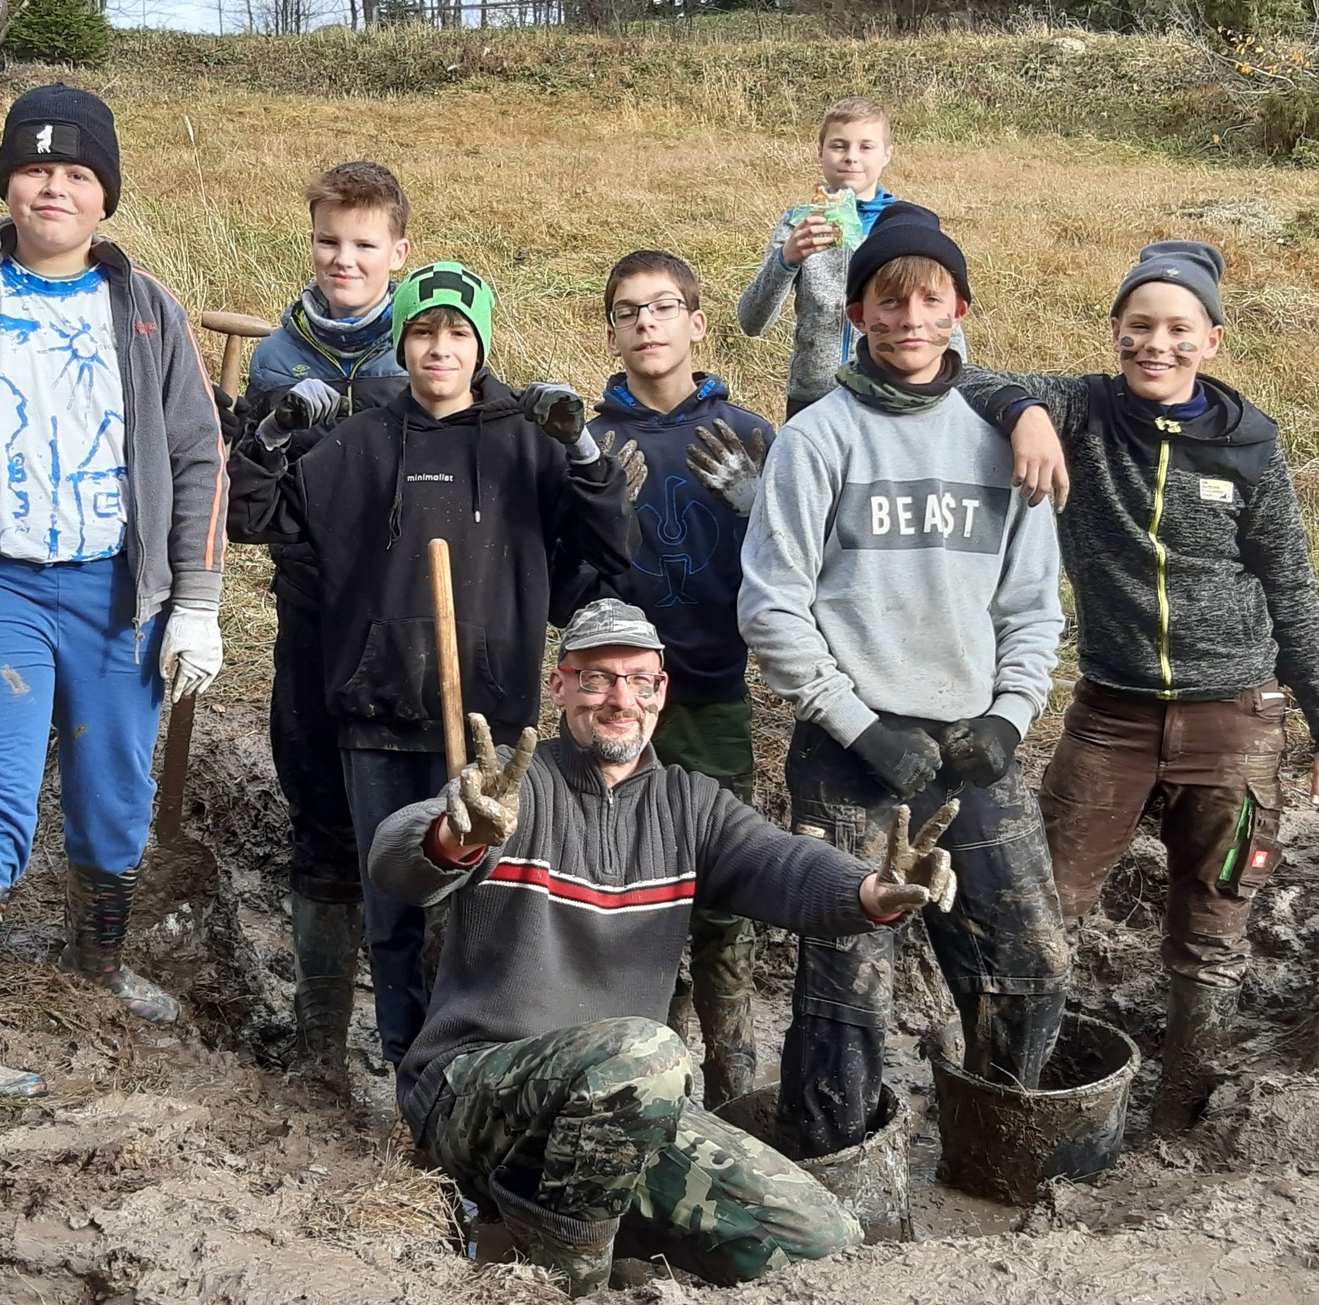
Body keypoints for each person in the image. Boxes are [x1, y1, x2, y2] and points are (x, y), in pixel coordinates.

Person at [369, 600, 956, 1296]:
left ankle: (606, 1229)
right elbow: (396, 860)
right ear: (559, 688)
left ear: (662, 693)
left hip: (624, 1108)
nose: (622, 699)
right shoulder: (513, 791)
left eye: (640, 681)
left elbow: (785, 867)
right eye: (597, 680)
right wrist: (453, 837)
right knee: (649, 1052)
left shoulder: (691, 804)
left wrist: (874, 892)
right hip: (474, 1093)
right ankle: (562, 1279)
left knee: (820, 1239)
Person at [0, 84, 228, 1099]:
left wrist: (196, 599)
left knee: (114, 798)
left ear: (103, 193)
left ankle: (96, 965)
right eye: (36, 168)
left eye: (77, 172)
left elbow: (198, 456)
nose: (54, 186)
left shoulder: (146, 309)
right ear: (8, 183)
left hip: (117, 588)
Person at [226, 261, 638, 1072]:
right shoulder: (358, 440)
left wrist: (582, 448)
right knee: (393, 905)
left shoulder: (526, 442)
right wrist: (271, 433)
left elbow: (609, 548)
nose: (438, 347)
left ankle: (471, 1066)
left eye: (457, 332)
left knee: (480, 902)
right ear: (401, 341)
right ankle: (404, 1067)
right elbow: (251, 516)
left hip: (490, 727)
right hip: (374, 714)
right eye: (422, 331)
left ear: (481, 343)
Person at [956, 240, 1319, 1130]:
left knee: (1212, 929)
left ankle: (1183, 1116)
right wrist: (1028, 413)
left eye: (1178, 328)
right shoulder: (1083, 410)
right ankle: (1022, 1096)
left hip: (1238, 719)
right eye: (1138, 326)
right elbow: (966, 378)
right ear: (1115, 332)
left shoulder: (1251, 446)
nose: (1157, 344)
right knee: (1045, 913)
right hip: (1109, 715)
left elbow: (1293, 588)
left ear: (1213, 340)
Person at [737, 202, 1068, 1159]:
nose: (909, 319)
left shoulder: (1003, 439)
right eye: (888, 301)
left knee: (1028, 964)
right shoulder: (818, 439)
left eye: (929, 299)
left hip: (975, 753)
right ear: (857, 311)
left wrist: (1008, 721)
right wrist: (859, 724)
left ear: (958, 306)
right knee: (848, 990)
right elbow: (771, 607)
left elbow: (1033, 607)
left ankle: (994, 1154)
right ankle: (837, 1180)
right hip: (852, 754)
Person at [568, 248, 775, 1107]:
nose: (645, 323)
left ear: (696, 323)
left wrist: (762, 503)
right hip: (615, 704)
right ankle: (640, 1077)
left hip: (713, 697)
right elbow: (564, 591)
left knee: (724, 893)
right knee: (618, 888)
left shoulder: (750, 436)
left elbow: (802, 572)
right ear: (612, 331)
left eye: (662, 308)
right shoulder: (590, 442)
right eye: (627, 311)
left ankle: (734, 1082)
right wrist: (598, 506)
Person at [222, 161, 411, 1090]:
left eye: (365, 245)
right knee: (317, 811)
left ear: (398, 254)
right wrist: (267, 432)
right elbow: (255, 504)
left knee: (411, 820)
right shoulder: (277, 358)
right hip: (307, 610)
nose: (345, 259)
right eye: (329, 241)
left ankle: (414, 1030)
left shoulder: (428, 345)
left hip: (404, 616)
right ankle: (318, 1042)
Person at [735, 96, 965, 420]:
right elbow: (751, 321)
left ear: (887, 154)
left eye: (866, 147)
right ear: (820, 151)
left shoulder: (908, 228)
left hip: (891, 394)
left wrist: (958, 393)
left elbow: (942, 316)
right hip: (812, 398)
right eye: (839, 146)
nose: (851, 158)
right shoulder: (797, 223)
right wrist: (786, 259)